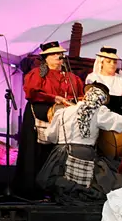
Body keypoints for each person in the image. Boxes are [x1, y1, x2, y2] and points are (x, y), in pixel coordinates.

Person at [36, 82, 122, 203]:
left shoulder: (62, 112)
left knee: (59, 184)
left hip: (59, 154)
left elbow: (51, 136)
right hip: (84, 153)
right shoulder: (99, 112)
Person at [16, 41, 85, 196]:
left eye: (59, 54)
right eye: (53, 54)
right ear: (45, 58)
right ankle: (31, 190)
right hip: (39, 111)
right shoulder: (37, 73)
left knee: (58, 152)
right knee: (35, 151)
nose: (57, 56)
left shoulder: (71, 77)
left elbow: (79, 96)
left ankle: (55, 188)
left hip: (64, 116)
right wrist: (54, 98)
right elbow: (32, 93)